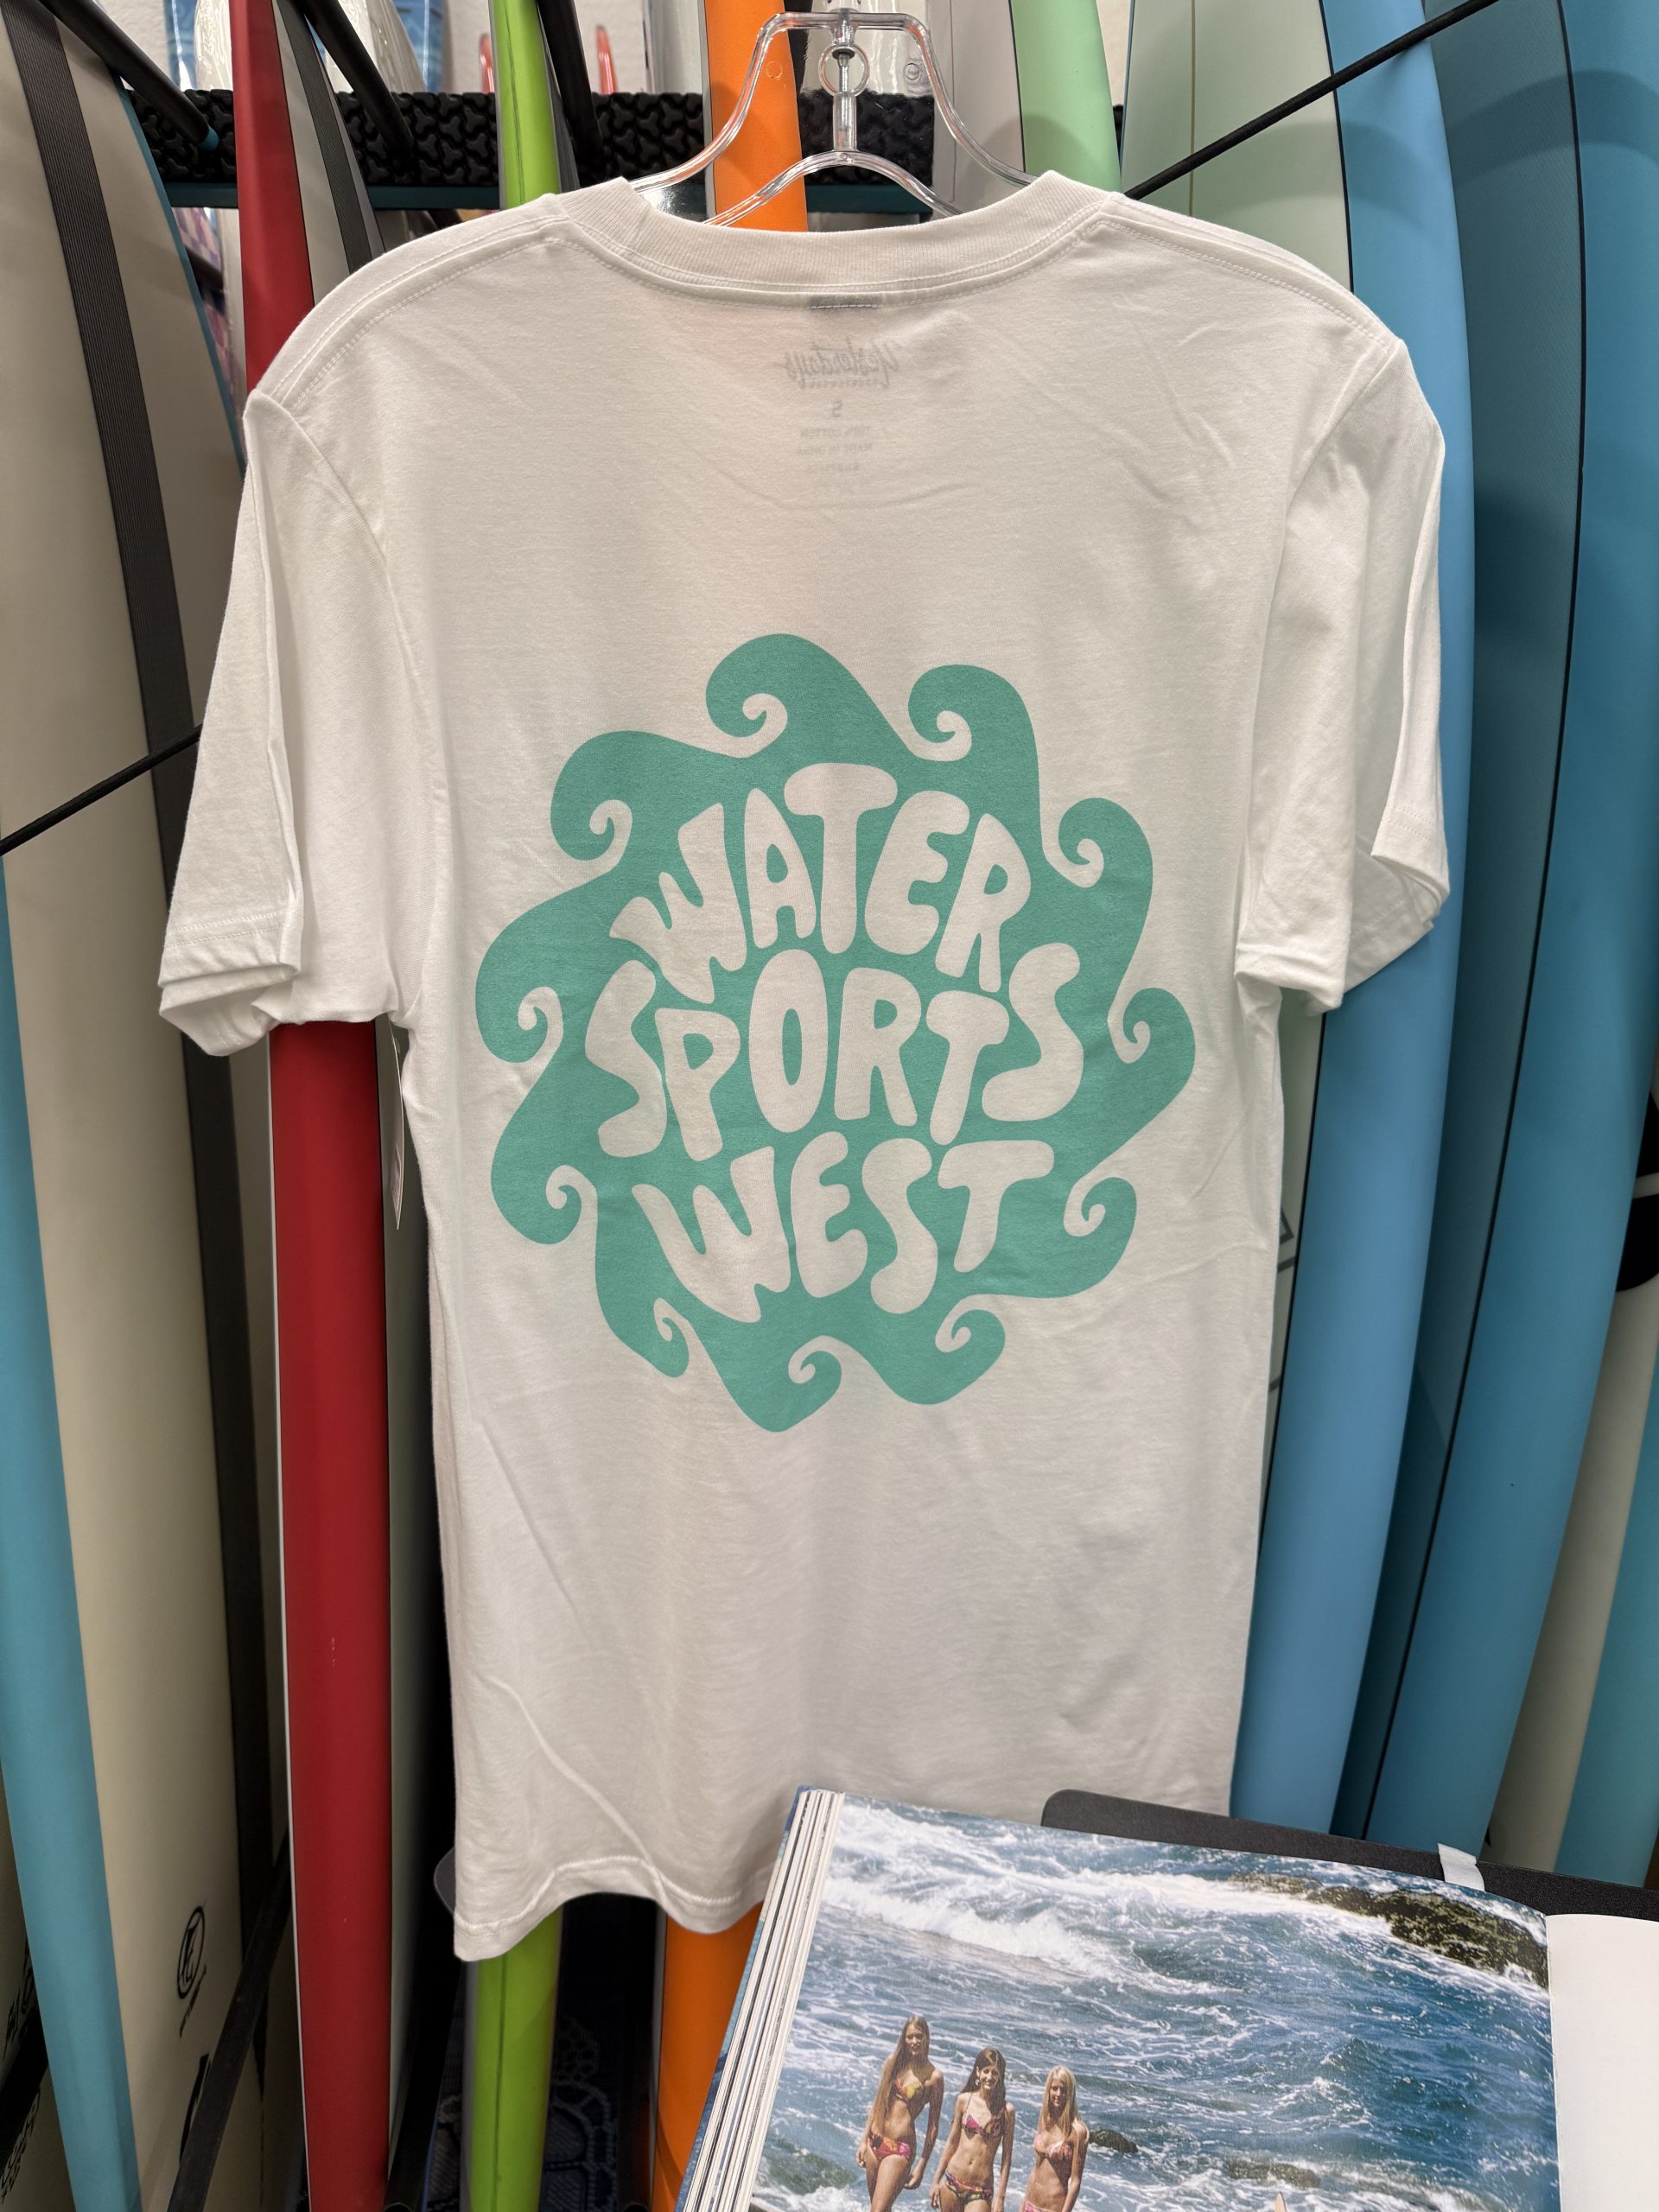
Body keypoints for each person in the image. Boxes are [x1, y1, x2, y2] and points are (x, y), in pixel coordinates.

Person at [857, 2018, 944, 2210]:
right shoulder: (894, 2062)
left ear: (927, 2038)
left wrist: (921, 2166)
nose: (914, 2041)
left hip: (899, 2149)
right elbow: (878, 2103)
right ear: (904, 2039)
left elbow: (933, 2126)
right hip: (875, 2141)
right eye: (910, 2037)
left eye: (919, 2036)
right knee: (879, 2208)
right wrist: (864, 2140)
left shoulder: (934, 2077)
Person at [929, 2050, 1014, 2212]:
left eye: (995, 2073)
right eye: (986, 2071)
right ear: (978, 2072)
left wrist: (1000, 2197)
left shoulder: (1006, 2111)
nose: (990, 2077)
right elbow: (952, 2143)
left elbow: (1007, 2158)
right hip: (952, 2181)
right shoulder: (964, 2100)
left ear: (1000, 2076)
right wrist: (935, 2181)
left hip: (980, 2190)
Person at [1014, 2068, 1087, 2212]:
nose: (1058, 2094)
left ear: (1070, 2093)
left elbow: (1075, 2182)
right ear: (1048, 2090)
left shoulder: (1077, 2131)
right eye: (1054, 2088)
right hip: (1031, 2203)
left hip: (1053, 2207)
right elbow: (1037, 2167)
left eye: (1063, 2090)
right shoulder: (1045, 2119)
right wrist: (1023, 2204)